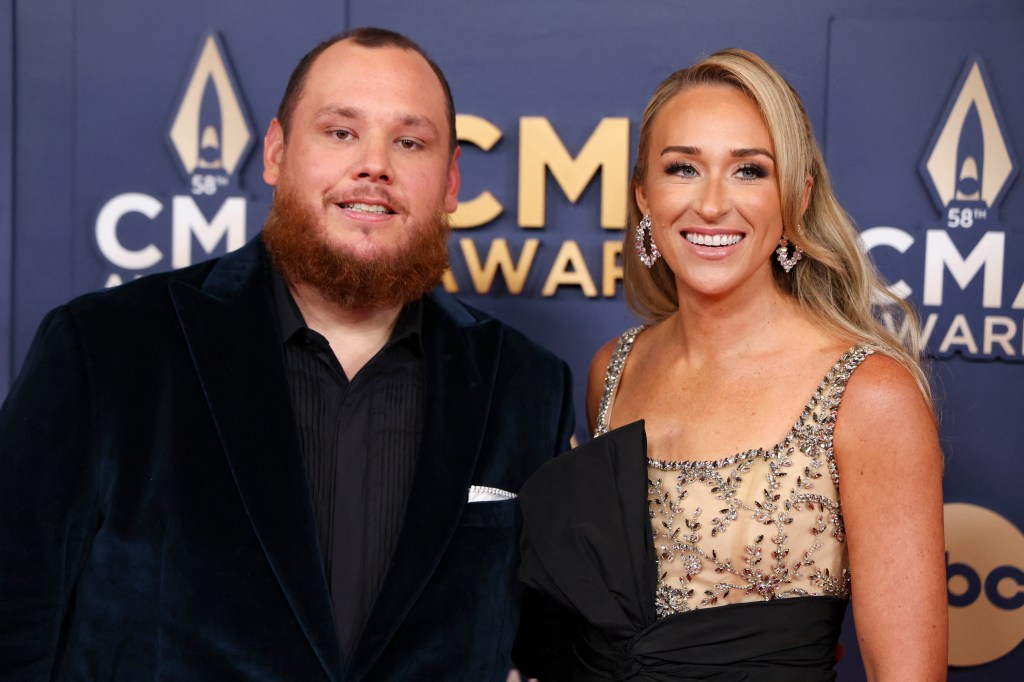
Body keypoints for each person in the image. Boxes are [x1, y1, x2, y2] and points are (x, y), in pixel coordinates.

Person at [0, 28, 574, 681]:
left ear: (450, 183)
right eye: (340, 132)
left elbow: (551, 644)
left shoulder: (524, 385)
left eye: (410, 142)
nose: (374, 166)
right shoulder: (106, 348)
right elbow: (15, 618)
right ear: (275, 153)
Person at [513, 49, 946, 680]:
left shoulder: (870, 393)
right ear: (643, 196)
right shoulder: (614, 369)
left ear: (796, 198)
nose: (712, 205)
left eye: (749, 171)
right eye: (682, 168)